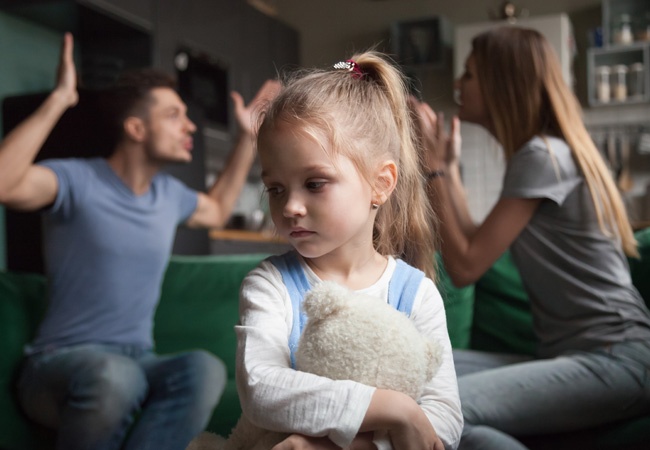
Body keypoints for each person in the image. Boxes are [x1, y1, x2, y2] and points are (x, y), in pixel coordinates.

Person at [0, 33, 280, 450]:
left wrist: (246, 138)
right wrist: (60, 98)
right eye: (173, 115)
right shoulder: (78, 179)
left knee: (203, 369)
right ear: (135, 128)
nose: (189, 126)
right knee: (116, 377)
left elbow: (217, 209)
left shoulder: (168, 196)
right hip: (57, 365)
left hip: (137, 360)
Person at [411, 26, 650, 449]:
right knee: (412, 371)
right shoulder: (539, 154)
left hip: (617, 359)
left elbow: (465, 267)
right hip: (573, 358)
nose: (458, 84)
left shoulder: (541, 155)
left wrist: (432, 168)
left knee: (438, 414)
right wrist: (446, 166)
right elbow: (468, 238)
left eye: (469, 74)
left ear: (502, 84)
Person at [234, 51, 463, 450]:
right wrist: (396, 411)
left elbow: (442, 420)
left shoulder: (416, 294)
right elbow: (261, 387)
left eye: (315, 183)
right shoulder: (269, 284)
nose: (290, 207)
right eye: (276, 189)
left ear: (381, 183)